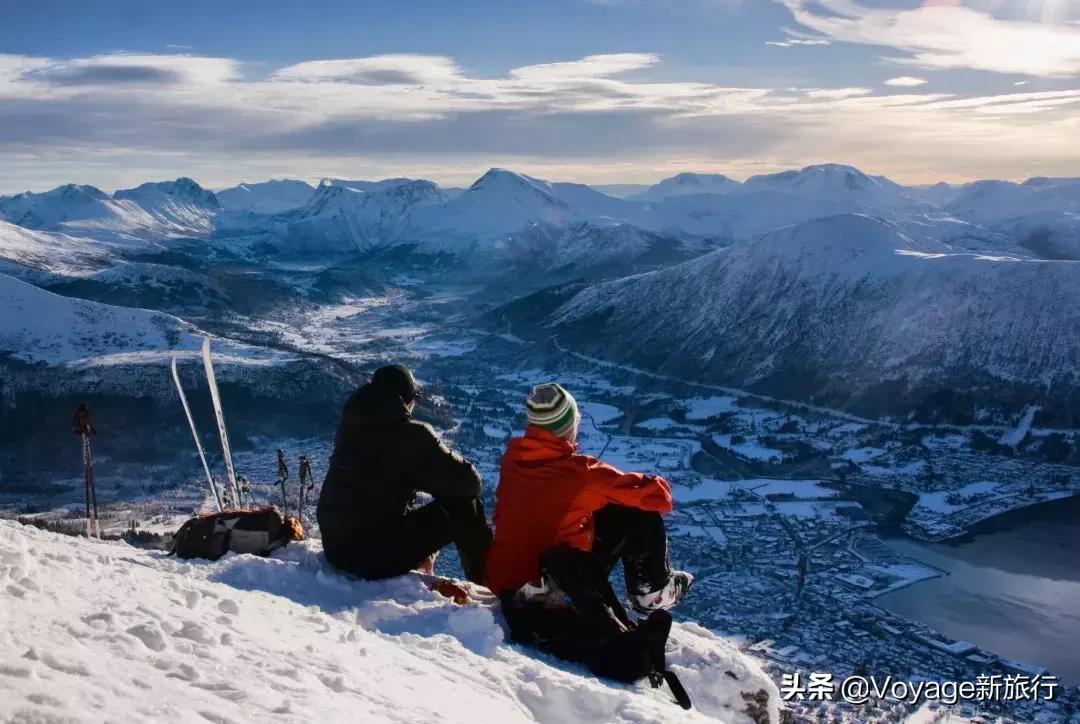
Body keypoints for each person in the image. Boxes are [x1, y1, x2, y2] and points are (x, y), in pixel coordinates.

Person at [484, 383, 694, 700]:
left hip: (507, 581)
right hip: (553, 581)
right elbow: (656, 498)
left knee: (597, 510)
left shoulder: (512, 459)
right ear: (569, 425)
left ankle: (645, 591)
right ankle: (651, 591)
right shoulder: (581, 473)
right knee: (638, 515)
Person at [317, 364, 492, 583]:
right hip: (372, 558)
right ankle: (488, 582)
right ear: (408, 400)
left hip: (336, 548)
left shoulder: (351, 424)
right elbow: (469, 483)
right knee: (465, 503)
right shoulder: (411, 434)